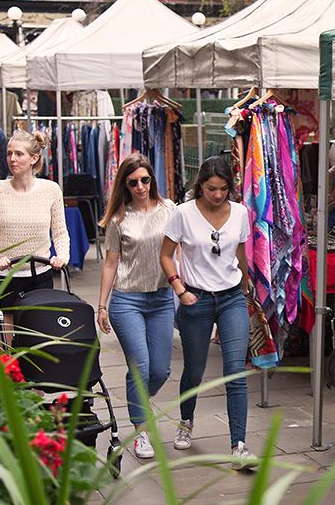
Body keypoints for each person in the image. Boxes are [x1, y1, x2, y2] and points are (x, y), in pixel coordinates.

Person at [159, 156, 254, 470]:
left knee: (235, 372)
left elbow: (240, 252)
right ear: (200, 185)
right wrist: (179, 289)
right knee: (195, 371)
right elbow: (166, 255)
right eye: (212, 188)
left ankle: (238, 446)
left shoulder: (240, 213)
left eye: (224, 189)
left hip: (231, 298)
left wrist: (248, 284)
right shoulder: (182, 213)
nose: (218, 195)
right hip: (195, 299)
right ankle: (186, 420)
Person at [97, 155, 176, 458]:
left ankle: (138, 400)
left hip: (161, 298)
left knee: (160, 370)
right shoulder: (119, 218)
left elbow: (180, 250)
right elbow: (110, 263)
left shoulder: (170, 210)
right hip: (127, 299)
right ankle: (141, 430)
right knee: (140, 365)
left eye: (145, 180)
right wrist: (102, 306)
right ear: (125, 185)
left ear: (152, 179)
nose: (141, 186)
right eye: (133, 182)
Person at [0, 130, 69, 334]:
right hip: (3, 277)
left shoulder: (51, 190)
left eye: (19, 154)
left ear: (34, 158)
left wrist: (62, 256)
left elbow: (60, 232)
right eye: (9, 153)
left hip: (39, 276)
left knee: (38, 348)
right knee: (4, 354)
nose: (12, 159)